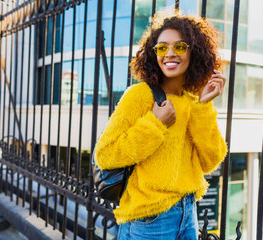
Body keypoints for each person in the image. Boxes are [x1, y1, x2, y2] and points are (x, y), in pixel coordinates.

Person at [95, 12, 227, 240]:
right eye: (162, 47)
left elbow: (210, 161)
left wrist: (204, 107)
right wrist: (155, 124)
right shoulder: (139, 96)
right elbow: (105, 155)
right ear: (153, 53)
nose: (170, 54)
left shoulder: (193, 103)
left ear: (193, 52)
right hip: (149, 219)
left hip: (188, 214)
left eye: (180, 47)